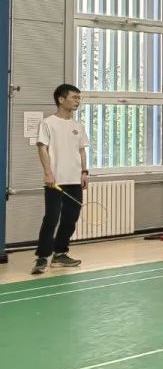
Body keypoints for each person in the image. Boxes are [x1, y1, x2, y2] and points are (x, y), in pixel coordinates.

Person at [31, 84, 91, 275]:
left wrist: (84, 172)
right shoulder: (48, 123)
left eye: (79, 98)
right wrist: (48, 173)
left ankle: (60, 254)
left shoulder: (78, 126)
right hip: (55, 181)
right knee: (51, 218)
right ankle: (42, 257)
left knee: (70, 219)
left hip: (75, 180)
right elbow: (42, 148)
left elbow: (81, 150)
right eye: (74, 97)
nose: (77, 101)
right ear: (61, 99)